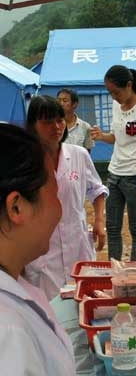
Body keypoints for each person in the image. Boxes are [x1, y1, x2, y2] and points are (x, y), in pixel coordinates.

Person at [0, 123, 136, 376]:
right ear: (17, 207)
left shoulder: (21, 289)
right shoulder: (6, 330)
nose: (62, 208)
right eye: (53, 192)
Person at [24, 95, 108, 300]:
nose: (56, 126)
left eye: (60, 120)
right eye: (47, 122)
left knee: (83, 300)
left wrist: (99, 221)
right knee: (48, 309)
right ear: (33, 125)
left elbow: (96, 190)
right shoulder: (25, 161)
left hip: (77, 241)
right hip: (43, 250)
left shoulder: (79, 154)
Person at [91, 65, 136, 261]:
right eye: (110, 92)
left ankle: (135, 271)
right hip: (114, 175)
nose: (113, 97)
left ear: (129, 85)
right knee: (112, 227)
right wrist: (102, 136)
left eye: (116, 92)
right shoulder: (116, 106)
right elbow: (117, 138)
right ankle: (115, 269)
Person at [57, 88, 94, 152]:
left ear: (74, 104)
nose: (61, 104)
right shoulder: (53, 125)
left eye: (65, 101)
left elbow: (87, 151)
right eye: (59, 100)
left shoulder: (85, 127)